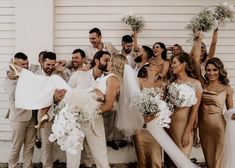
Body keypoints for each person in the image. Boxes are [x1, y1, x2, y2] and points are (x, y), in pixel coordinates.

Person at [194, 32, 233, 168]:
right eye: (208, 70)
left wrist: (233, 115)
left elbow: (230, 111)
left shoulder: (227, 88)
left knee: (218, 161)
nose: (211, 73)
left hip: (219, 128)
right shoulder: (201, 84)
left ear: (220, 70)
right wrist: (199, 39)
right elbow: (195, 59)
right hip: (204, 128)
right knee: (209, 161)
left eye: (214, 70)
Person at [167, 53, 202, 167]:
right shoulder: (171, 84)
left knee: (182, 161)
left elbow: (194, 110)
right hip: (170, 128)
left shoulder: (195, 84)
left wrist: (188, 131)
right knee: (171, 162)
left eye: (174, 62)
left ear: (184, 64)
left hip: (183, 128)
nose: (172, 65)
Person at [5, 52, 36, 168]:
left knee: (29, 146)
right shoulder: (9, 80)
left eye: (27, 63)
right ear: (15, 65)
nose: (26, 66)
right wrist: (19, 76)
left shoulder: (30, 74)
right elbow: (15, 96)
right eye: (23, 64)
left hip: (31, 117)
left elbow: (40, 66)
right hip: (18, 118)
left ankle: (27, 166)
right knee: (16, 146)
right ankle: (12, 166)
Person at [133, 59, 166, 168]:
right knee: (141, 158)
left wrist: (155, 113)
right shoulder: (139, 81)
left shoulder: (162, 84)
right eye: (152, 64)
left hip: (155, 125)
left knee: (155, 157)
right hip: (140, 126)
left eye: (157, 65)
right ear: (147, 67)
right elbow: (133, 101)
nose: (155, 66)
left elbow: (164, 105)